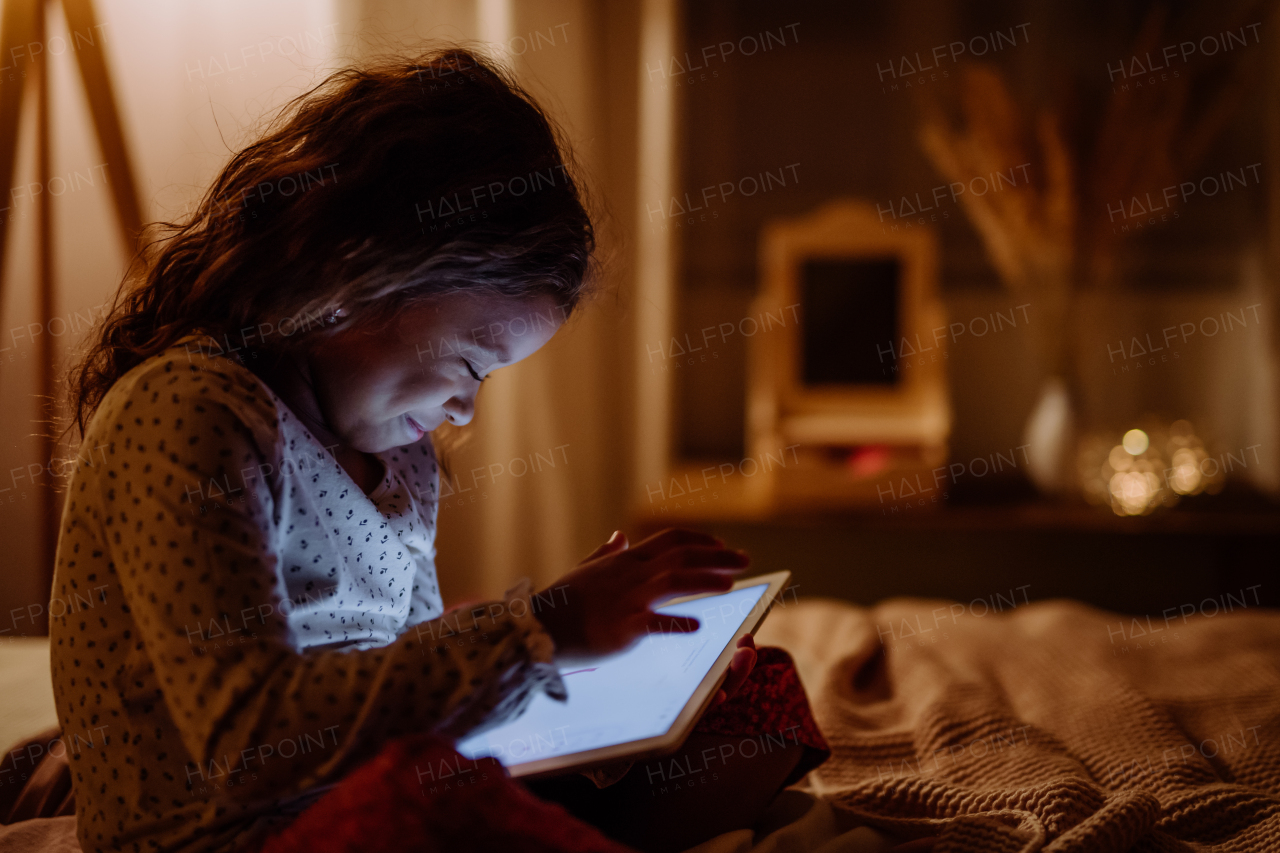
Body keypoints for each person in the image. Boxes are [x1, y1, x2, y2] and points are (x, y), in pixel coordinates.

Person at [50, 48, 826, 853]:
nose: (466, 405)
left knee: (752, 696)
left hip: (384, 791)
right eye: (467, 364)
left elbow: (408, 675)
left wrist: (589, 663)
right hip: (236, 833)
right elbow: (247, 739)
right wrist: (537, 633)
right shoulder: (189, 413)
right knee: (434, 807)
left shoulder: (404, 463)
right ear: (352, 275)